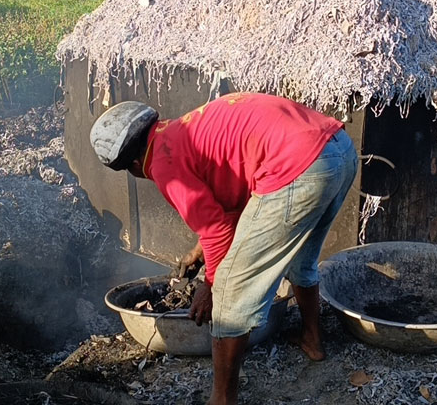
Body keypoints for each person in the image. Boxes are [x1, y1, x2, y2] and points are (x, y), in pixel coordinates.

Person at [89, 92, 357, 405]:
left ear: (133, 164)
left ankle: (222, 399)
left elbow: (219, 231)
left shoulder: (163, 163)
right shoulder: (180, 130)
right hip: (337, 149)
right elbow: (230, 206)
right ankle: (312, 340)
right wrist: (200, 248)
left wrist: (210, 286)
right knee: (302, 259)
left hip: (298, 166)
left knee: (230, 293)